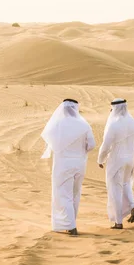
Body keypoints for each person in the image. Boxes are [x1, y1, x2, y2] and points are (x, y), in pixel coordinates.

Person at [41, 98, 95, 236]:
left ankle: (70, 226)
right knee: (75, 194)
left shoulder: (57, 124)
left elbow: (49, 140)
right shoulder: (84, 124)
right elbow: (92, 145)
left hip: (63, 164)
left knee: (63, 194)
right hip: (79, 164)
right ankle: (71, 223)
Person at [97, 98, 134, 229]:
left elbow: (105, 146)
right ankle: (132, 207)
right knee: (126, 184)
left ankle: (118, 222)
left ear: (114, 109)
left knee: (115, 190)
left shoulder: (113, 125)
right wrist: (132, 154)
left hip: (116, 161)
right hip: (129, 160)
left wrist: (100, 160)